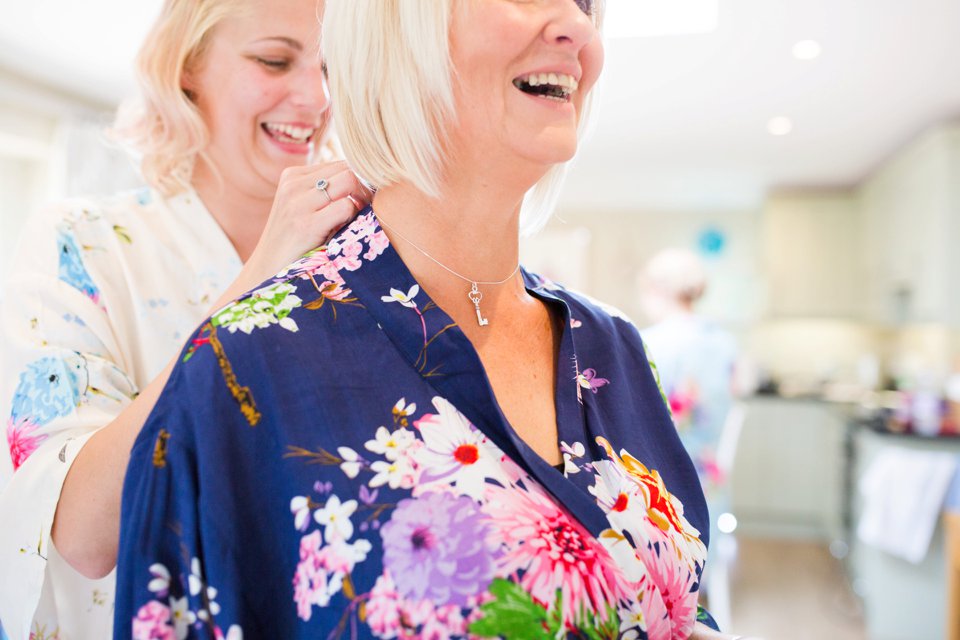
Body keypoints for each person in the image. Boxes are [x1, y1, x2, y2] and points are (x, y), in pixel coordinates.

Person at [114, 1, 756, 638]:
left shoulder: (613, 346)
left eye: (585, 3)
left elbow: (677, 602)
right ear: (393, 29)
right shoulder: (242, 366)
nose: (579, 27)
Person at [0, 0, 368, 637]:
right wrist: (257, 280)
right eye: (274, 60)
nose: (315, 96)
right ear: (187, 69)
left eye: (332, 68)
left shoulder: (361, 261)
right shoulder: (82, 245)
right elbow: (83, 534)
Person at [640, 248, 739, 533]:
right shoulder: (723, 342)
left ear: (656, 289)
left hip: (668, 488)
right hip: (711, 481)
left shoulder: (651, 342)